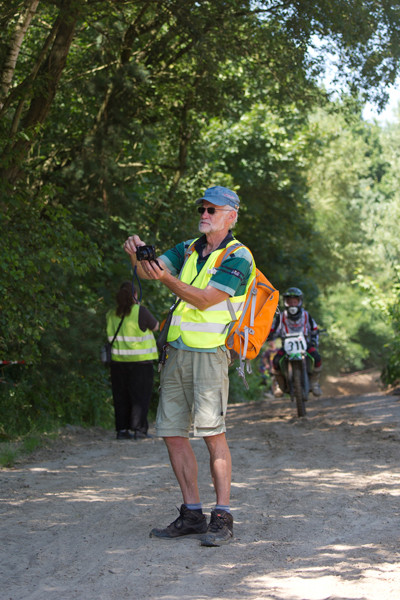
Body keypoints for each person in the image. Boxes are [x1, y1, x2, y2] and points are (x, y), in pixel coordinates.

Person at [123, 185, 254, 546]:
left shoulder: (238, 257)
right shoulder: (188, 249)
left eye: (213, 209)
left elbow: (205, 300)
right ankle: (192, 513)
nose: (205, 213)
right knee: (172, 432)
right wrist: (137, 256)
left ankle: (223, 516)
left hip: (210, 356)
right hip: (177, 353)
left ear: (232, 216)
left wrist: (165, 278)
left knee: (213, 434)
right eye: (203, 208)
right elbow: (152, 272)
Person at [107, 281, 159, 440]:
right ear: (135, 295)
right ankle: (139, 430)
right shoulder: (140, 311)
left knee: (120, 396)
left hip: (118, 362)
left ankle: (122, 430)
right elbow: (156, 326)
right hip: (141, 362)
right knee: (140, 397)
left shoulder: (111, 313)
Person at [269, 286, 322, 397]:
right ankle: (280, 385)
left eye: (295, 301)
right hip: (287, 345)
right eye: (290, 301)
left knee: (317, 358)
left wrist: (314, 339)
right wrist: (269, 335)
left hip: (305, 344)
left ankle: (314, 383)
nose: (292, 304)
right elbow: (272, 328)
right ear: (285, 302)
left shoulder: (306, 315)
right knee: (275, 362)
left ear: (299, 302)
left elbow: (314, 328)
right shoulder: (281, 316)